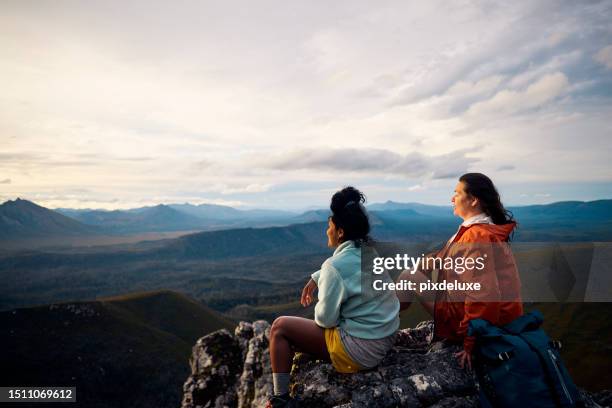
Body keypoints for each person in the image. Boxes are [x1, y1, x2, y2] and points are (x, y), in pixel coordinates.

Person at [266, 187, 400, 408]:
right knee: (297, 337)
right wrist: (318, 277)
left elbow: (325, 321)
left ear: (340, 232)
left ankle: (280, 399)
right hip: (383, 340)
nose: (326, 231)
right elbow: (349, 271)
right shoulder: (369, 252)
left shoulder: (334, 266)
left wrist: (325, 282)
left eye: (329, 226)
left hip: (360, 350)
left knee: (280, 328)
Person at [396, 172, 523, 370]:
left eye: (457, 193)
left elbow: (484, 296)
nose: (452, 198)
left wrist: (470, 343)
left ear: (473, 200)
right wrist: (429, 262)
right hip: (495, 322)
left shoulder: (476, 237)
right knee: (415, 271)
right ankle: (383, 320)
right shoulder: (479, 229)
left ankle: (379, 325)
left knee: (408, 276)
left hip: (477, 326)